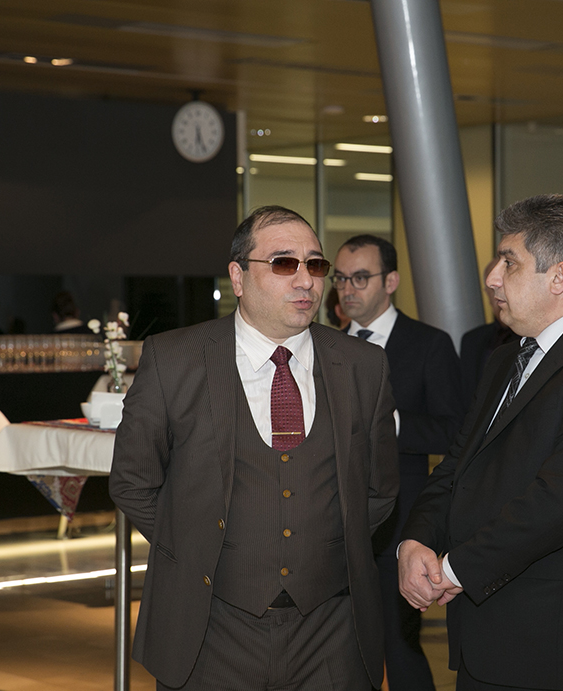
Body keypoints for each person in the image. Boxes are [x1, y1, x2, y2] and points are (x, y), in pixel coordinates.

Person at [109, 206, 400, 691]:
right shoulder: (174, 360)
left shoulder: (364, 365)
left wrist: (323, 551)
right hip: (210, 630)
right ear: (238, 277)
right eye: (284, 263)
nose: (305, 280)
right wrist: (197, 545)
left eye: (315, 264)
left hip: (331, 632)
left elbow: (380, 489)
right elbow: (133, 482)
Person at [398, 194, 563, 691]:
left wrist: (451, 570)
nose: (492, 277)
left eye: (509, 262)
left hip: (554, 648)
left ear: (559, 277)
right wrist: (415, 541)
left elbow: (558, 503)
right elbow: (457, 467)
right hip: (483, 638)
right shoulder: (506, 358)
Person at [332, 234, 464, 691]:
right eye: (341, 279)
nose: (347, 289)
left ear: (390, 281)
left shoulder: (428, 344)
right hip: (334, 521)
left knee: (398, 645)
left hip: (399, 523)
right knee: (338, 645)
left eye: (360, 278)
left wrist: (387, 421)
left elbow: (454, 430)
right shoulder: (324, 346)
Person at [459, 257, 517, 404]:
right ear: (486, 292)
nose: (498, 294)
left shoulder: (533, 339)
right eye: (492, 289)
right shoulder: (471, 340)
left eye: (504, 285)